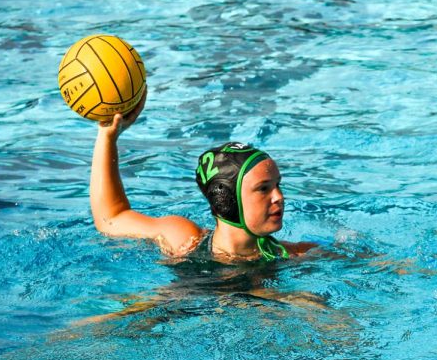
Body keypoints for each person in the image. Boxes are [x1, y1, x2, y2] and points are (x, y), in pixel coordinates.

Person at [89, 89, 316, 262]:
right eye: (263, 188)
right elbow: (111, 219)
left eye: (277, 185)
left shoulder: (294, 255)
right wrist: (107, 137)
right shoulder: (184, 239)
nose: (279, 197)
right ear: (227, 198)